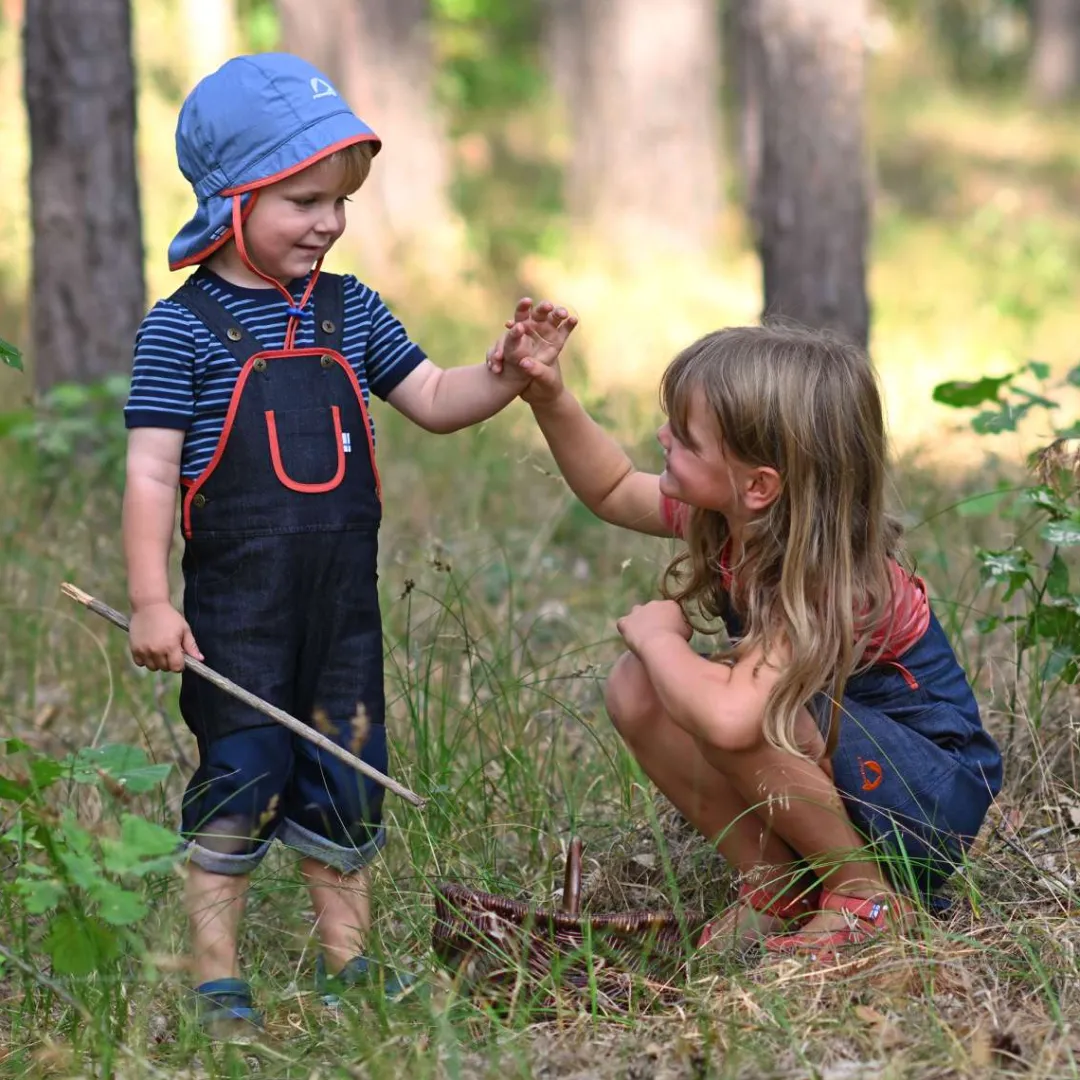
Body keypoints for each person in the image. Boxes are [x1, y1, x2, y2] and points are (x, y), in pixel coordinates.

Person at [122, 52, 573, 1027]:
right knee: (241, 773)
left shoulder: (351, 309)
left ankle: (349, 964)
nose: (328, 221)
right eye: (303, 200)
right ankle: (215, 975)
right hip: (238, 618)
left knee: (347, 772)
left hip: (341, 612)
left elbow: (436, 398)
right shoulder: (181, 330)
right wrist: (152, 600)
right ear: (231, 198)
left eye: (340, 202)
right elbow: (151, 473)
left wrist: (507, 374)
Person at [492, 310, 1002, 961]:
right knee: (637, 687)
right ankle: (779, 883)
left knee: (740, 706)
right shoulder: (736, 515)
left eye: (685, 437)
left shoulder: (823, 579)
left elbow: (735, 721)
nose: (661, 437)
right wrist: (551, 398)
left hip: (928, 798)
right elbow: (615, 488)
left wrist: (660, 639)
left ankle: (867, 898)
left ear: (760, 485)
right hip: (856, 767)